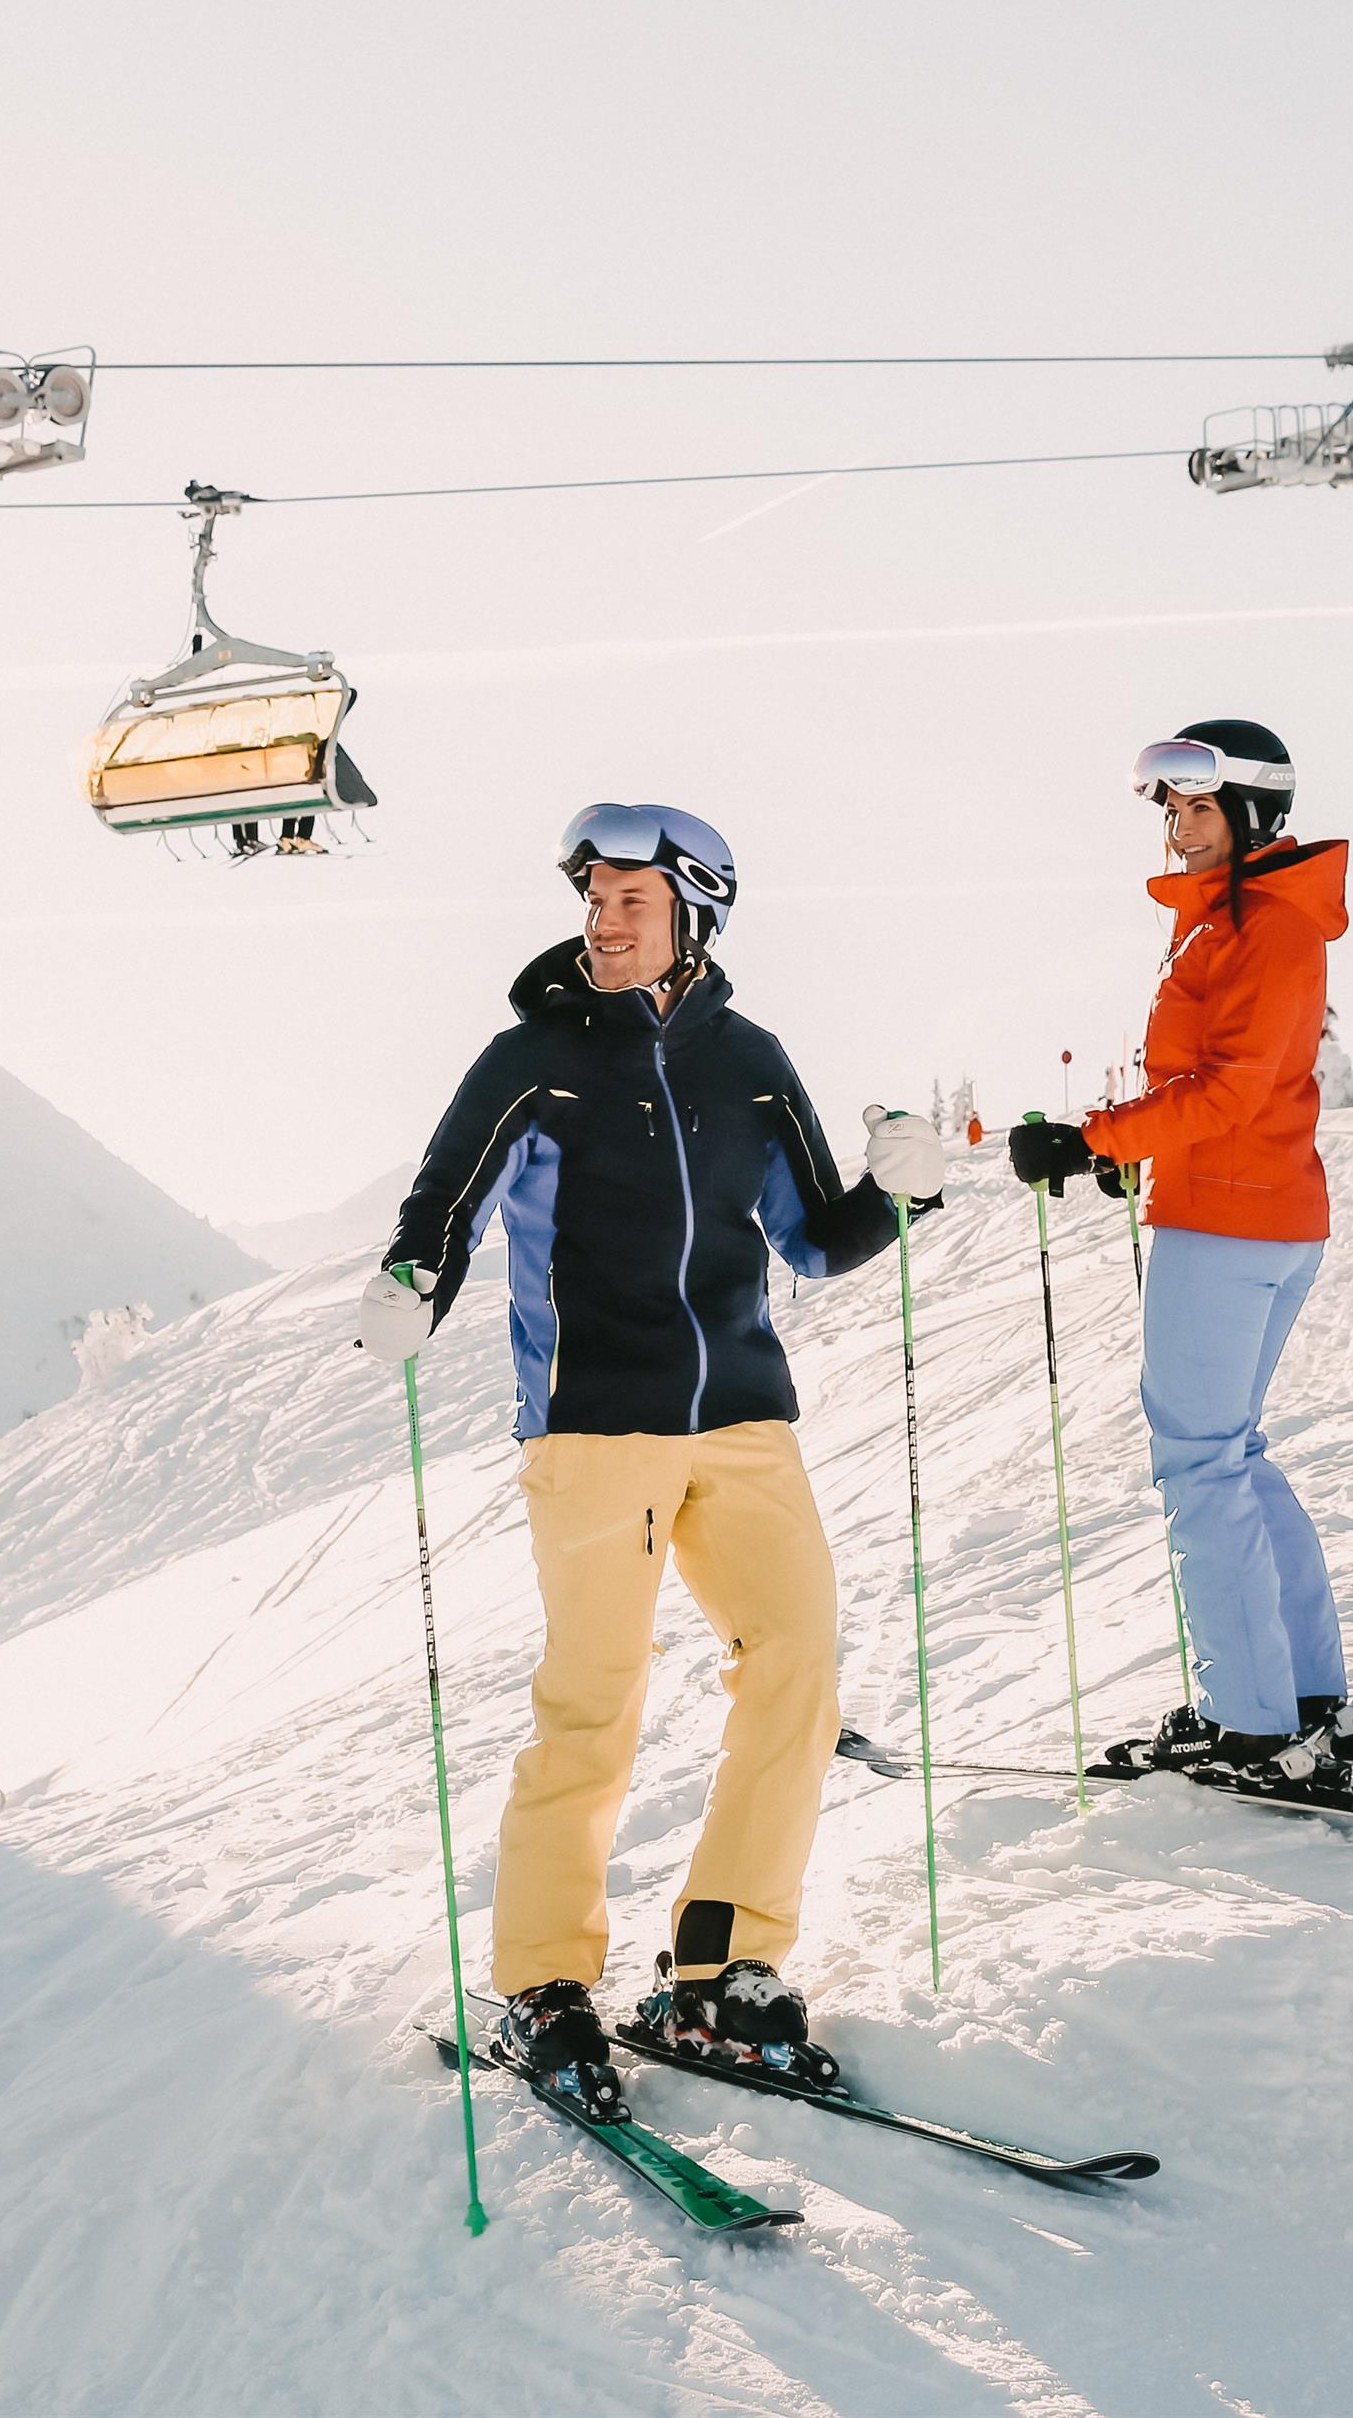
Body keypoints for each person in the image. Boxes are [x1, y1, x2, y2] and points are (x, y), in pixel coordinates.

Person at [360, 802, 947, 2120]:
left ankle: (722, 1967)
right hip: (594, 1422)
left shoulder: (749, 1061)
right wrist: (409, 1284)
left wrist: (899, 1191)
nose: (603, 916)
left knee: (796, 1664)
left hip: (740, 1415)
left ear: (696, 912)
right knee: (595, 1699)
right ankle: (545, 1984)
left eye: (632, 897)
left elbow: (817, 1239)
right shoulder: (533, 1058)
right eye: (594, 894)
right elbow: (444, 1202)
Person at [1007, 719, 1353, 1800]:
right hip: (1252, 1211)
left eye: (1200, 806)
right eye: (1171, 808)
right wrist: (1138, 1154)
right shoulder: (1239, 917)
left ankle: (1250, 1721)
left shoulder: (1267, 925)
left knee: (1201, 1466)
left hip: (1231, 1223)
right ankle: (1302, 1694)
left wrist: (1096, 1139)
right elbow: (1215, 1088)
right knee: (1233, 1453)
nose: (1179, 825)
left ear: (1254, 813)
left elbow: (1234, 1089)